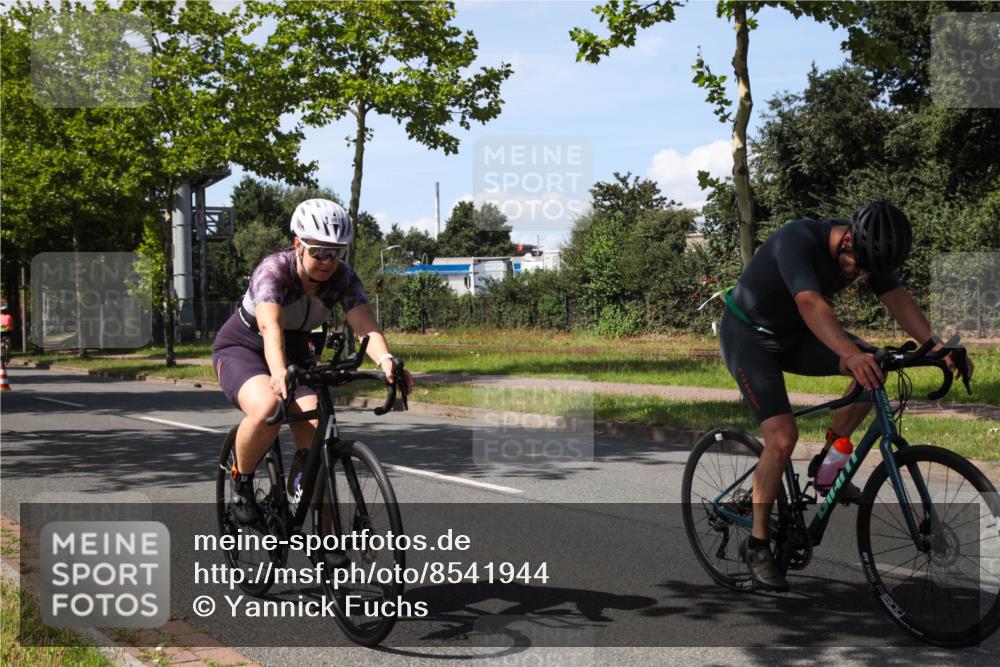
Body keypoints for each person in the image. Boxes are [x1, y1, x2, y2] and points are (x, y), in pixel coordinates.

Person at [718, 202, 973, 591]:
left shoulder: (867, 250)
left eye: (870, 270)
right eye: (860, 266)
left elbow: (896, 298)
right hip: (749, 337)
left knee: (874, 371)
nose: (863, 275)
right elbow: (809, 302)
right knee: (782, 438)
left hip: (796, 336)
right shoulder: (797, 239)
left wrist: (938, 348)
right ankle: (756, 544)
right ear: (847, 239)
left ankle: (828, 465)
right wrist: (849, 354)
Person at [212, 199, 413, 525]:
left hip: (295, 352)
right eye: (318, 251)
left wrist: (386, 361)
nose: (327, 261)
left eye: (335, 252)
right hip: (243, 347)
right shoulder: (274, 271)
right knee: (268, 408)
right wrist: (278, 372)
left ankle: (322, 535)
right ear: (298, 245)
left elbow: (365, 325)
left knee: (318, 440)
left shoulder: (343, 277)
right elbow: (270, 327)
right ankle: (241, 482)